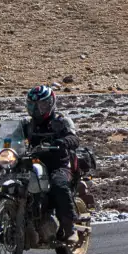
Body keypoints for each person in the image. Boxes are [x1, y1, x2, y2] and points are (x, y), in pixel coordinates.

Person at [20, 85, 96, 221]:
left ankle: (70, 225)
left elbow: (73, 138)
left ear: (50, 103)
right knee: (18, 180)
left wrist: (63, 142)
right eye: (33, 105)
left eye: (41, 105)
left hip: (59, 164)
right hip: (34, 162)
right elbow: (13, 135)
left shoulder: (61, 121)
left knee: (58, 184)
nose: (37, 110)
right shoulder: (28, 124)